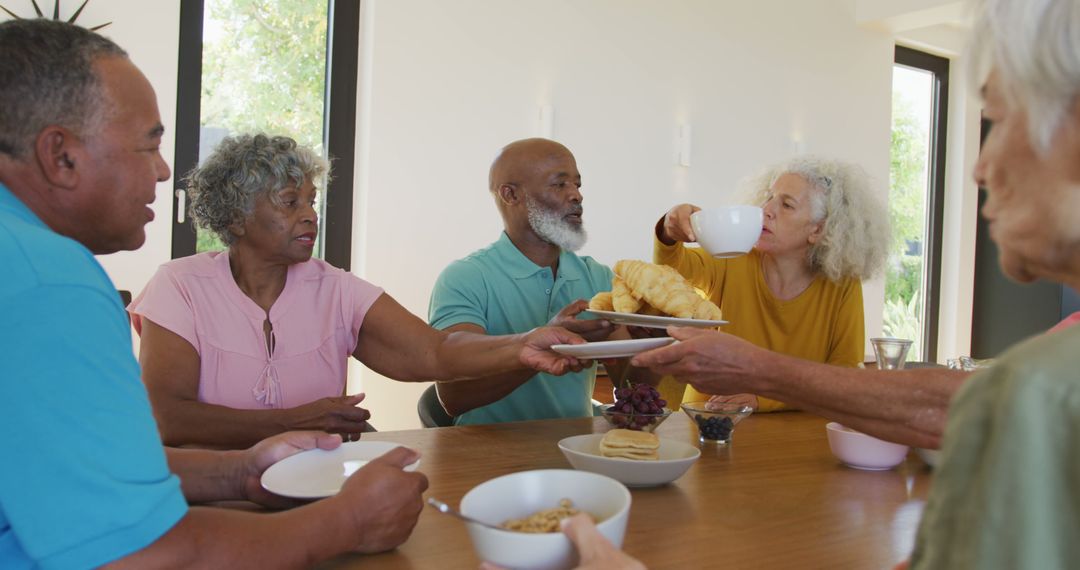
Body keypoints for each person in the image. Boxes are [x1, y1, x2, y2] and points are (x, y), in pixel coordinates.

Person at [639, 0, 1080, 566]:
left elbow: (977, 406)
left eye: (1001, 117)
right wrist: (671, 230)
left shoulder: (1045, 384)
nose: (979, 169)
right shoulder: (733, 260)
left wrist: (757, 373)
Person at [2, 18, 431, 567]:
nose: (162, 171)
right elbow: (140, 555)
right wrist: (346, 520)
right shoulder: (49, 281)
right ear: (60, 156)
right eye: (148, 145)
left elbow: (66, 467)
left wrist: (242, 470)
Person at [130, 133, 589, 448]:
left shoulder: (336, 290)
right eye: (291, 203)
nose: (310, 215)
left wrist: (525, 344)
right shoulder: (180, 287)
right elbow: (167, 417)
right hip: (209, 503)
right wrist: (295, 421)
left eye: (312, 200)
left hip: (313, 495)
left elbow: (437, 352)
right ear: (235, 217)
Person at [652, 156, 890, 411]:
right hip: (710, 418)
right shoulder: (734, 255)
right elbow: (671, 272)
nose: (767, 209)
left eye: (786, 205)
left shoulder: (841, 285)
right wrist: (668, 232)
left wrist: (762, 400)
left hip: (794, 432)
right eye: (769, 197)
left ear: (818, 230)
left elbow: (844, 377)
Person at [428, 137, 626, 425]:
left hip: (577, 454)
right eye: (560, 185)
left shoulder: (599, 277)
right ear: (510, 195)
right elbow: (455, 395)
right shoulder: (465, 278)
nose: (576, 196)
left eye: (577, 184)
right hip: (488, 459)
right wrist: (545, 345)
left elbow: (632, 382)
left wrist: (654, 336)